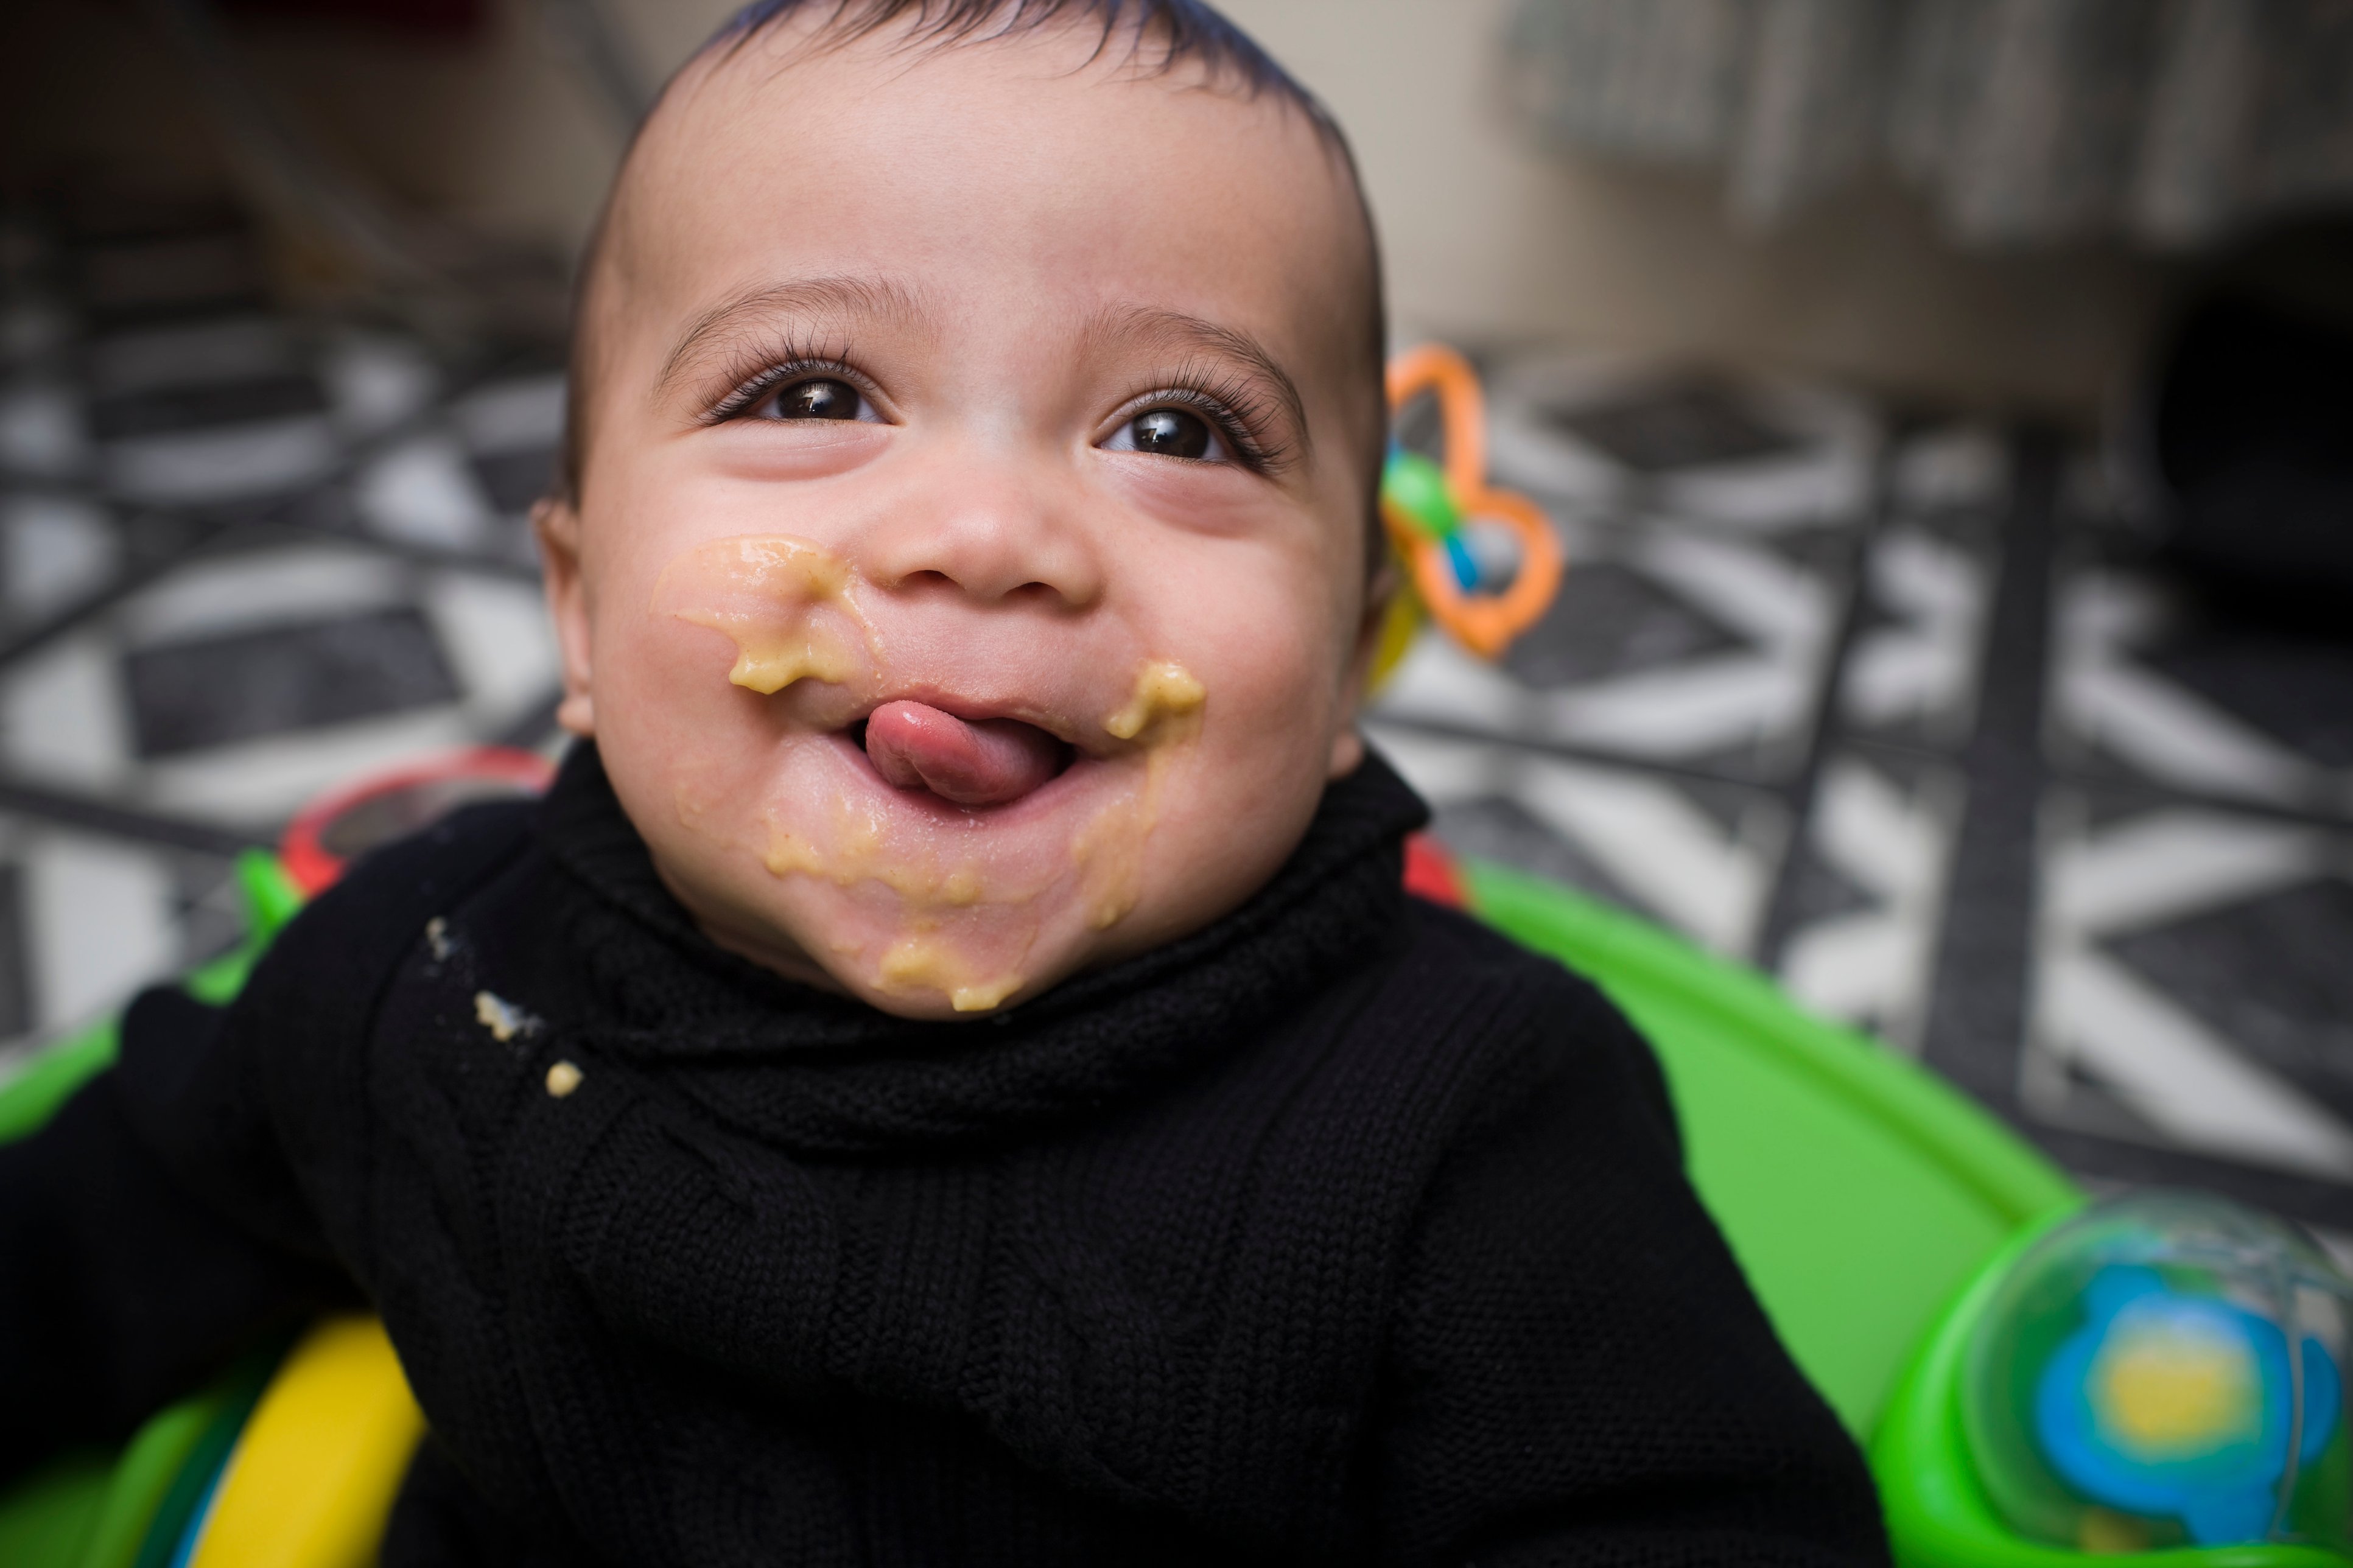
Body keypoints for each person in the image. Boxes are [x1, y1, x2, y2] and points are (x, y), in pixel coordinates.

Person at [0, 2, 1890, 1561]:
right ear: (577, 612)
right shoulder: (433, 980)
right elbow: (99, 1227)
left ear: (1346, 660)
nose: (986, 535)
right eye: (809, 394)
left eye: (1177, 429)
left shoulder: (1460, 1127)